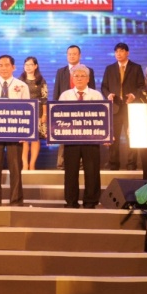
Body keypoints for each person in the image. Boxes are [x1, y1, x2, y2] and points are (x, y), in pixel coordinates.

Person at [0, 55, 29, 206]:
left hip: (15, 133)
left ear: (13, 67)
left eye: (7, 65)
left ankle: (16, 200)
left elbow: (28, 110)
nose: (3, 68)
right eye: (0, 65)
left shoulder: (22, 86)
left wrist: (25, 133)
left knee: (16, 168)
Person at [58, 68, 105, 209]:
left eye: (82, 76)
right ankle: (71, 201)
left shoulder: (96, 95)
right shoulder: (65, 95)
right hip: (71, 140)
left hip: (91, 139)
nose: (79, 78)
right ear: (72, 78)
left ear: (88, 79)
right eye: (76, 76)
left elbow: (103, 116)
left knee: (92, 171)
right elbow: (58, 115)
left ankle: (90, 201)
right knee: (71, 172)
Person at [101, 42, 144, 170]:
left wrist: (134, 95)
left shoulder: (136, 68)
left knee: (132, 136)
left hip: (130, 108)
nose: (118, 54)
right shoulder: (109, 68)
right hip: (115, 108)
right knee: (114, 138)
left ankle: (131, 164)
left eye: (121, 51)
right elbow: (104, 86)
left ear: (127, 53)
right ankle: (113, 164)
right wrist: (108, 95)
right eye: (116, 51)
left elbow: (142, 86)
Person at [53, 45, 97, 169]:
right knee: (65, 137)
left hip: (84, 112)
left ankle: (83, 163)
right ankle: (62, 163)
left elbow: (92, 90)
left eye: (74, 54)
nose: (72, 56)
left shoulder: (88, 71)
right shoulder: (61, 71)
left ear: (80, 55)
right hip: (66, 112)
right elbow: (56, 92)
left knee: (84, 137)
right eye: (69, 54)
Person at [21, 56, 48, 171]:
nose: (28, 67)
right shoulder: (19, 80)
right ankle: (24, 164)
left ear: (36, 66)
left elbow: (44, 98)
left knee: (35, 139)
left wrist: (44, 115)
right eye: (26, 65)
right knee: (24, 139)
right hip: (23, 113)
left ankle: (32, 164)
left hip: (38, 112)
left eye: (31, 65)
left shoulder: (41, 80)